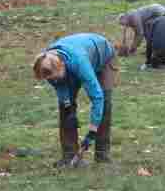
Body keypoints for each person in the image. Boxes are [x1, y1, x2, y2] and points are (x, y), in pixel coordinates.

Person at [32, 33, 118, 166]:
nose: (53, 81)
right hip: (75, 59)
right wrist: (68, 107)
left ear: (62, 65)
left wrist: (92, 131)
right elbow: (60, 88)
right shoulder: (46, 66)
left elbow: (97, 97)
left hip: (103, 57)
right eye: (50, 80)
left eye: (55, 78)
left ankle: (102, 155)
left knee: (104, 103)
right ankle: (69, 156)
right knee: (65, 110)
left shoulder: (79, 62)